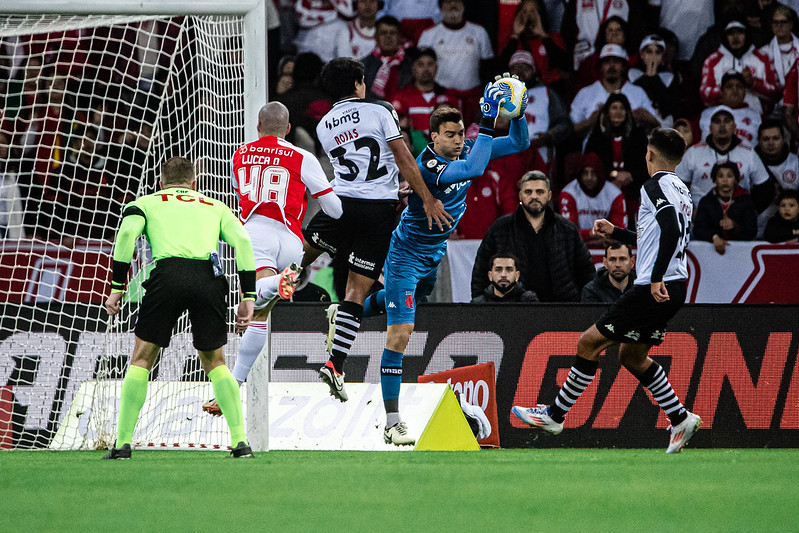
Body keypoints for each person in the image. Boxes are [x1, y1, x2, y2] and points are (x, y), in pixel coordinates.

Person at [512, 128, 702, 454]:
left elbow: (670, 228)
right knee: (632, 356)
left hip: (654, 286)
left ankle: (554, 416)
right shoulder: (681, 189)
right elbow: (657, 235)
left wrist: (655, 276)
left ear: (649, 154)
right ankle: (680, 418)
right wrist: (618, 233)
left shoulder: (653, 185)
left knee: (589, 343)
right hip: (676, 284)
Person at [358, 91, 530, 445]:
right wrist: (487, 120)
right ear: (433, 137)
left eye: (460, 133)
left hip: (433, 255)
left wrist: (518, 112)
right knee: (401, 332)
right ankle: (392, 421)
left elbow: (518, 143)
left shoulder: (467, 150)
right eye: (450, 135)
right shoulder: (429, 167)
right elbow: (475, 170)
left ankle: (348, 313)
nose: (457, 140)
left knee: (406, 303)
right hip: (405, 256)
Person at [302, 57, 451, 403]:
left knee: (299, 258)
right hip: (377, 212)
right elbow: (402, 157)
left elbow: (355, 167)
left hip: (340, 205)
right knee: (356, 292)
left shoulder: (324, 125)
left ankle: (264, 291)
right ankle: (336, 364)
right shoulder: (381, 109)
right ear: (358, 83)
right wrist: (426, 198)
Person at [102, 157, 257, 459]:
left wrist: (117, 287)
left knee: (142, 358)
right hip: (208, 278)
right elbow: (242, 242)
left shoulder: (144, 203)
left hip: (167, 275)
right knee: (215, 361)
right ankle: (240, 443)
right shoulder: (216, 206)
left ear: (161, 183)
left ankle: (122, 444)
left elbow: (126, 236)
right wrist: (248, 295)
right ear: (194, 183)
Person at [201, 102, 343, 417]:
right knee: (260, 316)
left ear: (258, 126)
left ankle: (275, 283)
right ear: (288, 129)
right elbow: (335, 211)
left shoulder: (239, 154)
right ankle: (234, 385)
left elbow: (240, 193)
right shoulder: (303, 157)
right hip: (291, 240)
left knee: (253, 298)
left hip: (256, 234)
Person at [470, 171, 595, 302]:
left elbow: (587, 273)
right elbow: (480, 273)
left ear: (549, 195)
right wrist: (481, 308)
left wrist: (585, 308)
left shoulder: (568, 230)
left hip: (561, 307)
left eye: (540, 192)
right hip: (513, 308)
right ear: (520, 195)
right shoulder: (499, 229)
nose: (534, 196)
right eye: (528, 192)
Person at [676, 106, 771, 210]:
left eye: (727, 121)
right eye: (717, 121)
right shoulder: (693, 152)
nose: (722, 125)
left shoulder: (749, 153)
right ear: (710, 128)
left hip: (738, 217)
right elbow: (677, 187)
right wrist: (690, 210)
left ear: (734, 127)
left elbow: (765, 189)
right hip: (700, 216)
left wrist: (748, 213)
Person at [417, 0, 495, 124]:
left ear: (464, 5)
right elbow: (420, 65)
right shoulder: (429, 34)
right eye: (448, 1)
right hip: (441, 98)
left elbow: (488, 66)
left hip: (473, 98)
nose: (453, 5)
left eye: (457, 1)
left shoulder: (479, 32)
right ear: (441, 6)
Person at [583, 93, 650, 226]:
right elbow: (588, 167)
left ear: (627, 112)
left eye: (622, 108)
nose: (618, 112)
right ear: (607, 112)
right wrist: (611, 179)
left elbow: (648, 166)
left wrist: (631, 175)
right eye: (614, 107)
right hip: (602, 195)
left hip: (634, 194)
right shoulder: (596, 138)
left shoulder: (639, 137)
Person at [570, 44, 660, 140]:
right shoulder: (585, 93)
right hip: (596, 148)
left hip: (631, 147)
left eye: (616, 62)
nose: (611, 66)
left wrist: (649, 119)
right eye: (607, 62)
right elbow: (570, 131)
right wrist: (589, 122)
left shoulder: (638, 92)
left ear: (623, 66)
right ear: (600, 66)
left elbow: (658, 127)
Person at [699, 18, 779, 114]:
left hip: (756, 116)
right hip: (722, 118)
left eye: (740, 32)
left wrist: (753, 83)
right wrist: (726, 88)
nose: (735, 37)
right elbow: (704, 96)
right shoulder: (712, 60)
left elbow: (776, 93)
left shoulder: (764, 57)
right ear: (724, 37)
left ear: (747, 34)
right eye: (730, 33)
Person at [390, 47, 460, 139]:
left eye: (430, 64)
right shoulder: (401, 97)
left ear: (436, 67)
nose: (426, 69)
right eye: (420, 65)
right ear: (413, 68)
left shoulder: (449, 97)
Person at [559, 152, 627, 246]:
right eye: (585, 173)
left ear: (600, 174)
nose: (589, 178)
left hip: (606, 247)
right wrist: (592, 233)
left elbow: (620, 231)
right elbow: (568, 233)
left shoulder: (614, 194)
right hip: (576, 247)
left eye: (593, 173)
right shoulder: (569, 193)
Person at [693, 161, 758, 254]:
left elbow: (752, 231)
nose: (725, 180)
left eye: (729, 176)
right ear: (714, 180)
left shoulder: (746, 202)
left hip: (741, 254)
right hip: (710, 254)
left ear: (736, 179)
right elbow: (698, 229)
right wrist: (714, 237)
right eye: (720, 176)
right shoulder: (706, 202)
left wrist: (735, 227)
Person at [698, 71, 761, 145]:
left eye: (739, 86)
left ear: (744, 92)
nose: (735, 90)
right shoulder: (705, 114)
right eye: (729, 87)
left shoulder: (757, 116)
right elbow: (688, 139)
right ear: (721, 92)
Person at [362, 16, 413, 101]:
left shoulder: (411, 64)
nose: (388, 37)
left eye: (392, 33)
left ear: (399, 37)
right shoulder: (364, 65)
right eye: (383, 33)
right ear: (376, 36)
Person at [471, 253, 539, 303]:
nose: (503, 275)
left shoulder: (528, 301)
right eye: (498, 270)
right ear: (490, 275)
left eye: (509, 270)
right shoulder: (478, 304)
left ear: (517, 275)